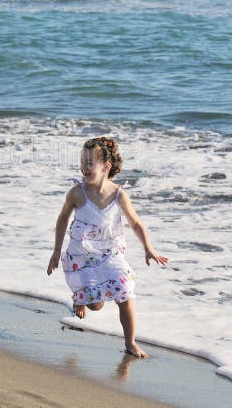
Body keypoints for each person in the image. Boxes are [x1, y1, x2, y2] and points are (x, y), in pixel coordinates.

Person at [47, 137, 168, 358]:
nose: (84, 168)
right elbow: (62, 220)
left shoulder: (119, 195)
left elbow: (136, 223)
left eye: (89, 163)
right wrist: (56, 252)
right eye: (82, 162)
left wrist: (148, 248)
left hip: (111, 253)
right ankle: (80, 300)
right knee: (96, 306)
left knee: (125, 293)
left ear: (106, 166)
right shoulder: (77, 193)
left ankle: (130, 343)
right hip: (82, 255)